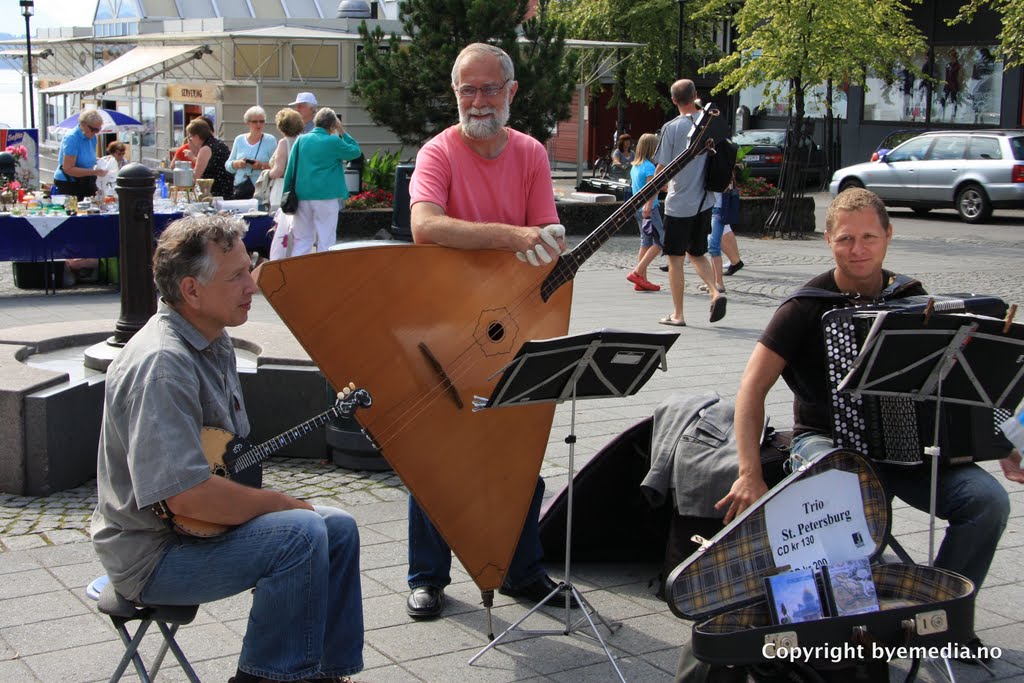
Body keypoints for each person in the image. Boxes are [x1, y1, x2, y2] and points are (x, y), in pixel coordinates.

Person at [701, 188, 1022, 680]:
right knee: (838, 490)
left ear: (888, 236)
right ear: (828, 240)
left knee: (987, 502)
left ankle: (938, 617)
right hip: (824, 442)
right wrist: (748, 471)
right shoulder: (804, 307)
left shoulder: (912, 298)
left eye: (869, 236)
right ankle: (849, 638)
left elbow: (960, 382)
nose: (858, 249)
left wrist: (1001, 443)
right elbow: (751, 389)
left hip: (905, 453)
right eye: (846, 238)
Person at [90, 214, 365, 683]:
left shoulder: (213, 340)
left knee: (337, 527)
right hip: (154, 554)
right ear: (192, 291)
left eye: (249, 267)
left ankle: (324, 672)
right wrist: (283, 503)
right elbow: (186, 496)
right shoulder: (164, 364)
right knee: (300, 533)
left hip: (192, 531)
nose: (251, 286)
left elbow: (225, 460)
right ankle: (265, 677)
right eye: (236, 275)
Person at [405, 42, 576, 620]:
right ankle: (427, 576)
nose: (478, 101)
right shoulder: (438, 152)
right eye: (467, 90)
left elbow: (546, 230)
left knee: (518, 447)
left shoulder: (530, 153)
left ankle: (521, 569)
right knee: (435, 453)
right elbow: (425, 226)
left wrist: (546, 239)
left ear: (511, 93)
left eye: (488, 88)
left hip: (512, 322)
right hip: (442, 321)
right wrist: (512, 237)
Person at [645, 79, 726, 327]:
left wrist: (649, 200)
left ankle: (678, 314)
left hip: (679, 202)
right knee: (697, 252)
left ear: (673, 100)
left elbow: (661, 168)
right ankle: (715, 290)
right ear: (695, 95)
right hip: (705, 200)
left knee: (675, 258)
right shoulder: (709, 123)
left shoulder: (672, 127)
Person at [280, 107, 361, 256]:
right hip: (326, 196)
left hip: (302, 196)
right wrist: (342, 131)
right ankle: (323, 274)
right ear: (332, 125)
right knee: (326, 239)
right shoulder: (333, 141)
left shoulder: (301, 140)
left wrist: (285, 193)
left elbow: (290, 169)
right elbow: (355, 152)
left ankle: (297, 274)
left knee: (302, 240)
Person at [626, 133, 663, 292]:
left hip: (637, 208)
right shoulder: (650, 167)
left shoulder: (635, 166)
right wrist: (649, 205)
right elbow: (650, 189)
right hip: (650, 208)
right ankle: (638, 272)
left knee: (645, 242)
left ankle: (642, 280)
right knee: (661, 240)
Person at [267, 107, 304, 260]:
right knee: (299, 232)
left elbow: (278, 170)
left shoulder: (284, 143)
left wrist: (266, 174)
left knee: (281, 232)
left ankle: (280, 260)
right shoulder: (304, 141)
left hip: (283, 190)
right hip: (301, 189)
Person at [53, 109, 108, 200]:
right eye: (93, 129)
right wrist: (94, 172)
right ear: (84, 124)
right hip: (69, 183)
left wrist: (102, 161)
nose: (96, 133)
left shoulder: (93, 137)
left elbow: (87, 158)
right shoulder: (72, 138)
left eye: (98, 130)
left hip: (86, 180)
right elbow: (68, 168)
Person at [225, 106, 275, 200]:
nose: (258, 124)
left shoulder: (270, 140)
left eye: (262, 121)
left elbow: (277, 166)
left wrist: (261, 166)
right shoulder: (239, 140)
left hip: (261, 191)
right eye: (255, 121)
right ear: (247, 123)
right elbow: (228, 165)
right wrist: (237, 164)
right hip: (241, 189)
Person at [185, 118, 234, 200]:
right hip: (228, 189)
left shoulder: (206, 149)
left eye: (190, 137)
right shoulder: (220, 144)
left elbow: (196, 175)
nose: (190, 140)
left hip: (215, 193)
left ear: (196, 136)